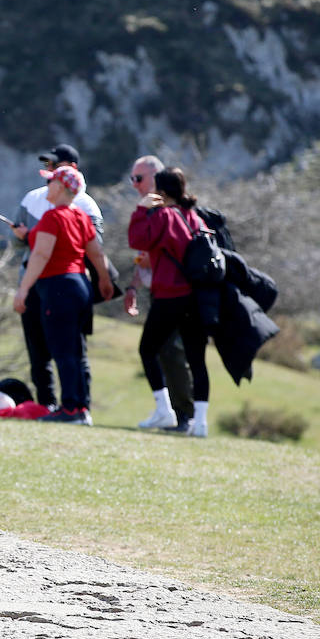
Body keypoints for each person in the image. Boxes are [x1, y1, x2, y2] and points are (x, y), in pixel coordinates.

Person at [11, 165, 113, 425]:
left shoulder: (52, 218)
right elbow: (96, 252)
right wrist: (103, 279)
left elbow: (41, 255)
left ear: (60, 187)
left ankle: (69, 409)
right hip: (81, 286)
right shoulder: (79, 216)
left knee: (62, 350)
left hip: (58, 288)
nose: (47, 187)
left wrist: (23, 290)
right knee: (76, 351)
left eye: (50, 182)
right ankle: (81, 407)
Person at [128, 167, 214, 438]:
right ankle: (200, 423)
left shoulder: (164, 216)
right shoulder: (196, 218)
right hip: (196, 298)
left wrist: (142, 210)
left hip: (169, 295)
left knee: (147, 349)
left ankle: (164, 409)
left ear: (161, 192)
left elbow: (137, 239)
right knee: (197, 360)